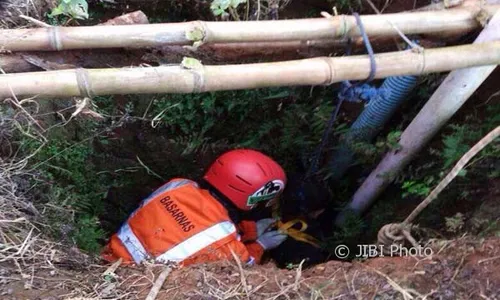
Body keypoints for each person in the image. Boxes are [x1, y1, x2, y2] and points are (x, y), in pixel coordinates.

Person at [102, 149, 288, 267]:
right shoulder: (226, 245)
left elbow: (193, 225)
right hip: (137, 281)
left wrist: (251, 230)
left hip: (110, 257)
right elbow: (244, 266)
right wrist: (261, 245)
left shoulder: (178, 185)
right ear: (251, 200)